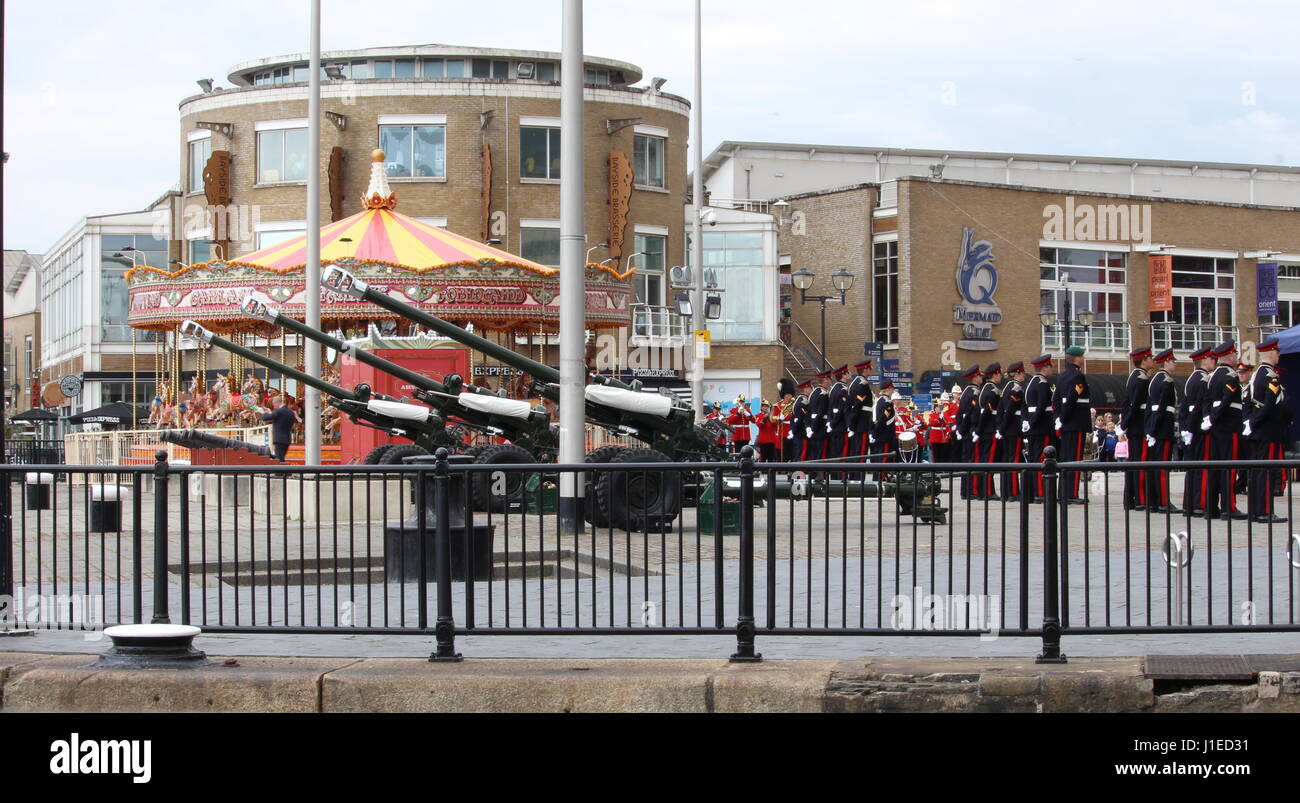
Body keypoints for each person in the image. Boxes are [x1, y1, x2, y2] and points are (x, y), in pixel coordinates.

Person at [1201, 340, 1247, 520]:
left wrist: (1207, 418)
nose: (1236, 357)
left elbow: (1205, 400)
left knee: (1214, 466)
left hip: (1215, 428)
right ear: (1230, 356)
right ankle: (1229, 507)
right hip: (1229, 426)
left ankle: (1211, 508)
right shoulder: (1231, 375)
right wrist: (1212, 417)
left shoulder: (1212, 376)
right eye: (1235, 354)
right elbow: (1228, 399)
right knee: (1229, 466)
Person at [1246, 337, 1289, 523]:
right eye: (1277, 352)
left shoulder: (1257, 373)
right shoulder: (1270, 375)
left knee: (1257, 470)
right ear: (1271, 353)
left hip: (1258, 429)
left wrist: (1250, 422)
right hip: (1268, 430)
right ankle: (1264, 511)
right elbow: (1270, 404)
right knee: (1266, 471)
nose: (1279, 355)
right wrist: (1256, 421)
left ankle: (1256, 510)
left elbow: (1248, 400)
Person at [1141, 348, 1178, 513]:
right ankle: (1163, 502)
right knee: (1162, 467)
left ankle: (1153, 501)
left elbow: (1151, 408)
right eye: (1173, 361)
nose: (1175, 364)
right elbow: (1162, 408)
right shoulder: (1166, 381)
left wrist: (1150, 429)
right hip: (1162, 429)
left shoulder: (1155, 379)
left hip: (1155, 428)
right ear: (1166, 362)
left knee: (1154, 465)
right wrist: (1154, 430)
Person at [1051, 345, 1090, 504]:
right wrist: (1064, 417)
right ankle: (1071, 494)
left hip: (1066, 423)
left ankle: (1063, 493)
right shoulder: (1077, 376)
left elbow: (1056, 399)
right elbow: (1073, 398)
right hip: (1076, 422)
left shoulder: (1062, 376)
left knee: (1067, 457)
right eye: (1082, 356)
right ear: (1077, 359)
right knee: (1074, 459)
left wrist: (1059, 418)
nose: (1083, 358)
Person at [1179, 346, 1215, 514]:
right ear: (1204, 360)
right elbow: (1200, 406)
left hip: (1191, 426)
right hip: (1200, 426)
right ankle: (1200, 503)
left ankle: (1190, 504)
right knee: (1202, 466)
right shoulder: (1203, 379)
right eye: (1211, 358)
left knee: (1192, 467)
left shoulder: (1191, 378)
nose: (1213, 361)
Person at [1119, 346, 1153, 510]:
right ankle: (1140, 498)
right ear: (1144, 359)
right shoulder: (1142, 379)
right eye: (1150, 357)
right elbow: (1135, 405)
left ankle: (1130, 499)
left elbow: (1127, 403)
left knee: (1134, 462)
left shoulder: (1133, 376)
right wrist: (1125, 424)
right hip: (1139, 426)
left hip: (1134, 425)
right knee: (1140, 462)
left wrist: (1124, 423)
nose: (1152, 360)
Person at [1022, 354, 1056, 502]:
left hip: (1033, 424)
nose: (1052, 370)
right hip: (1042, 425)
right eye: (1050, 367)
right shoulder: (1042, 383)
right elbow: (1042, 405)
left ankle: (1031, 492)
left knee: (1033, 458)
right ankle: (1040, 493)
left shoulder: (1030, 382)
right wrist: (1033, 422)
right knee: (1041, 458)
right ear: (1045, 368)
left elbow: (1024, 405)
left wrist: (1027, 422)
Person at [995, 362, 1026, 499]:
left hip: (1006, 428)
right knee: (1013, 460)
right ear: (1018, 373)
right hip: (1013, 427)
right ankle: (1013, 492)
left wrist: (1000, 428)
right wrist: (1002, 428)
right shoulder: (1016, 388)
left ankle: (1006, 491)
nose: (1024, 375)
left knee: (1007, 459)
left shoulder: (1006, 387)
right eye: (1023, 372)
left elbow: (1001, 410)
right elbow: (1010, 411)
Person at [973, 363, 1003, 499]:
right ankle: (988, 491)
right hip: (989, 429)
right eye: (999, 373)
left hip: (983, 429)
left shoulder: (983, 388)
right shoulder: (992, 391)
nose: (1001, 376)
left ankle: (982, 490)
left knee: (984, 460)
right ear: (995, 374)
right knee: (989, 461)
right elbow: (987, 413)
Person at [954, 365, 982, 499]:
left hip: (965, 431)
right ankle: (972, 490)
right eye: (980, 376)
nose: (981, 378)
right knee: (972, 461)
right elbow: (971, 413)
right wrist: (965, 428)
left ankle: (965, 491)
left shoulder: (966, 391)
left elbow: (960, 413)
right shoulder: (974, 392)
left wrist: (959, 428)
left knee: (966, 461)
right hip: (971, 430)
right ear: (975, 377)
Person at [870, 378, 899, 476]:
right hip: (885, 436)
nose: (893, 390)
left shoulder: (883, 401)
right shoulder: (886, 403)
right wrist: (874, 435)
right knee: (884, 460)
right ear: (887, 389)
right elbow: (881, 420)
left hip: (884, 435)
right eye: (891, 388)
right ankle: (880, 481)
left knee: (884, 460)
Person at [847, 360, 874, 457]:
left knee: (856, 451)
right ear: (865, 370)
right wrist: (852, 425)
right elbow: (857, 406)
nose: (871, 370)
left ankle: (856, 472)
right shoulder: (862, 384)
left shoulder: (855, 383)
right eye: (870, 368)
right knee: (861, 452)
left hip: (858, 422)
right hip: (862, 422)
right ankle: (858, 472)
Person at [261, 395, 300, 461]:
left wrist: (263, 412)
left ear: (277, 403)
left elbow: (266, 418)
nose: (274, 406)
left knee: (279, 460)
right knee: (280, 457)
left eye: (274, 404)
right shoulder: (290, 412)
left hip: (279, 439)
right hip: (287, 439)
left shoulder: (280, 411)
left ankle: (283, 471)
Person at [785, 380, 813, 460]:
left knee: (799, 452)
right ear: (806, 389)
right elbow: (800, 418)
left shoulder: (799, 400)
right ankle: (800, 470)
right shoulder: (803, 402)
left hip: (797, 430)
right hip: (801, 431)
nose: (812, 390)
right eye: (810, 388)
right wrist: (794, 431)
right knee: (802, 452)